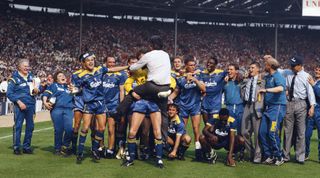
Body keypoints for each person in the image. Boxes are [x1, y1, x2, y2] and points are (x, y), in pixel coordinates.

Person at [70, 52, 128, 162]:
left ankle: (95, 149)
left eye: (92, 60)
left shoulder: (100, 69)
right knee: (85, 128)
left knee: (101, 128)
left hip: (101, 103)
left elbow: (114, 69)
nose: (91, 62)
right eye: (88, 60)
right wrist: (72, 90)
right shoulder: (79, 75)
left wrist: (128, 66)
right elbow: (75, 90)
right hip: (89, 104)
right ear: (83, 63)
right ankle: (80, 152)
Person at [116, 35, 172, 141]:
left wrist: (130, 68)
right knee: (164, 114)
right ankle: (164, 140)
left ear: (151, 45)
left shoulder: (148, 55)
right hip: (165, 87)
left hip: (152, 85)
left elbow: (135, 66)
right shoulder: (166, 54)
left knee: (132, 94)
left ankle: (118, 113)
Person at [169, 55, 206, 160]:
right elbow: (176, 91)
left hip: (195, 106)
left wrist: (194, 79)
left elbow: (204, 89)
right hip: (183, 107)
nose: (193, 67)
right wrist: (169, 99)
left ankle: (198, 152)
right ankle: (180, 151)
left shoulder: (199, 76)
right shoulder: (181, 78)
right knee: (182, 130)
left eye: (194, 65)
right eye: (190, 65)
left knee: (196, 129)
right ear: (186, 66)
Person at [283, 55, 315, 164]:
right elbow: (286, 87)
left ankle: (300, 157)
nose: (291, 67)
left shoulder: (306, 76)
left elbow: (310, 92)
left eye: (293, 65)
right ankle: (285, 156)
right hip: (289, 103)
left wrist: (312, 106)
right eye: (291, 65)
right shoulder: (288, 74)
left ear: (300, 66)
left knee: (301, 132)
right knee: (287, 131)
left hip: (301, 103)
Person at [7, 58, 40, 155]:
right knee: (18, 126)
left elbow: (37, 89)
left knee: (30, 127)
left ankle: (26, 146)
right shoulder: (14, 79)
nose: (27, 68)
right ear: (19, 67)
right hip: (19, 106)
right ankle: (16, 147)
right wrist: (18, 102)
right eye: (25, 66)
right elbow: (9, 93)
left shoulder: (31, 77)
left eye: (28, 66)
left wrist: (37, 90)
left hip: (31, 105)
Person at [258, 55, 286, 166]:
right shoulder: (268, 77)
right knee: (262, 132)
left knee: (272, 133)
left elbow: (281, 88)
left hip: (277, 107)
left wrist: (266, 90)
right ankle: (269, 155)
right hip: (268, 108)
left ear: (270, 66)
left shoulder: (278, 76)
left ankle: (279, 156)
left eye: (266, 64)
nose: (264, 65)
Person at [122, 99, 164, 168]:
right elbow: (132, 91)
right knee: (132, 132)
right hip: (140, 103)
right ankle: (130, 159)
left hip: (153, 102)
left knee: (157, 132)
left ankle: (159, 159)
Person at [42, 71, 73, 156]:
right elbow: (45, 94)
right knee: (59, 130)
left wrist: (73, 90)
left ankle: (65, 146)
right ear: (56, 79)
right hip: (57, 109)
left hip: (68, 109)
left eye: (63, 75)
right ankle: (57, 148)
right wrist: (45, 102)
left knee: (69, 129)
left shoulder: (69, 87)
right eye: (60, 76)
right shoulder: (53, 85)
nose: (62, 76)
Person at [241, 61, 264, 163]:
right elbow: (242, 92)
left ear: (258, 69)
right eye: (249, 68)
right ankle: (251, 153)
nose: (250, 69)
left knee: (257, 133)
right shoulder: (247, 80)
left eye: (253, 68)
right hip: (247, 105)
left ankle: (257, 157)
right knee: (244, 131)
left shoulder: (263, 80)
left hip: (257, 106)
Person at [103, 56, 126, 158]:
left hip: (113, 105)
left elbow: (122, 91)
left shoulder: (120, 74)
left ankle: (110, 149)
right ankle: (100, 147)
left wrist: (121, 105)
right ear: (105, 63)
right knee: (99, 128)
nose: (111, 64)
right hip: (101, 105)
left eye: (113, 62)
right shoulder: (101, 73)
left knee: (111, 129)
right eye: (109, 62)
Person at [223, 63, 244, 160]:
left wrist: (242, 75)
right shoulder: (225, 82)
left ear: (236, 71)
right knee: (230, 131)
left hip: (240, 108)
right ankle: (231, 151)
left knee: (240, 130)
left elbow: (246, 74)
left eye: (231, 69)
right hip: (229, 108)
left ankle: (241, 151)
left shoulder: (241, 80)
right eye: (228, 69)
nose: (229, 71)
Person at [201, 56, 226, 123]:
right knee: (206, 126)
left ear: (215, 65)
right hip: (205, 105)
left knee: (213, 127)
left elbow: (230, 73)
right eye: (208, 62)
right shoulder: (202, 73)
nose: (208, 64)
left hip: (216, 106)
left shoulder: (221, 73)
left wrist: (227, 76)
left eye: (211, 63)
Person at [305, 64, 320, 162]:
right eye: (316, 69)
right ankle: (305, 154)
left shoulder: (313, 83)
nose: (317, 71)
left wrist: (313, 84)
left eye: (319, 69)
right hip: (311, 111)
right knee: (306, 135)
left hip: (319, 112)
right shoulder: (311, 82)